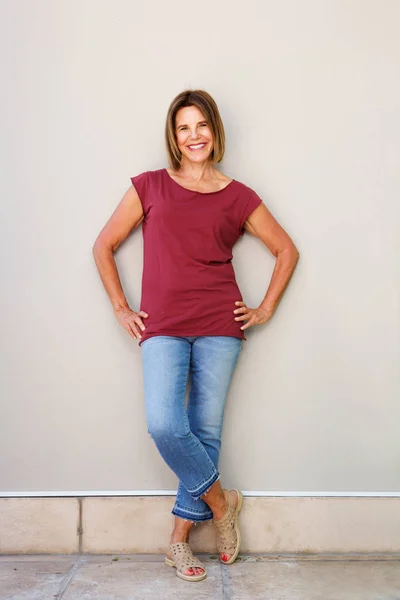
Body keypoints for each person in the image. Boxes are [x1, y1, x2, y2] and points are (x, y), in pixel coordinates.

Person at [92, 89, 299, 582]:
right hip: (162, 324)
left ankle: (177, 543)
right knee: (166, 425)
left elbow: (286, 249)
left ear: (214, 130)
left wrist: (265, 307)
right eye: (184, 127)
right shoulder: (149, 187)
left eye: (201, 125)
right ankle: (223, 504)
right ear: (174, 136)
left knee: (204, 432)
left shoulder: (238, 196)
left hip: (219, 325)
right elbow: (103, 245)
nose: (194, 136)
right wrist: (121, 307)